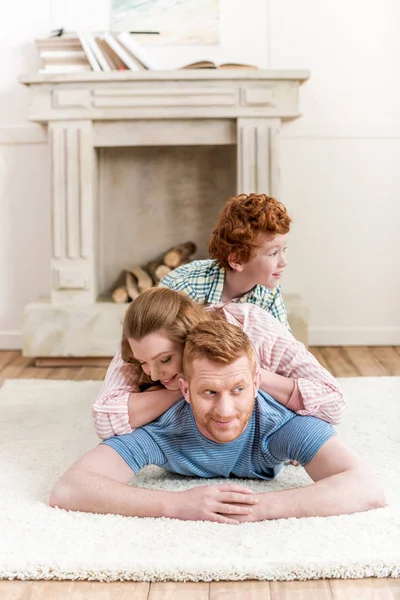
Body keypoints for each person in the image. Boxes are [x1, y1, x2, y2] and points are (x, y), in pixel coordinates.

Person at [51, 320, 385, 523]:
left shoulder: (281, 422)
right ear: (184, 389)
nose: (225, 411)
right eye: (209, 392)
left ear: (256, 384)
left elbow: (366, 486)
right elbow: (70, 487)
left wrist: (259, 507)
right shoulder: (164, 426)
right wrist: (176, 504)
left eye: (238, 390)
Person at [92, 288, 345, 440]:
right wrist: (190, 386)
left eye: (165, 359)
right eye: (144, 363)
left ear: (189, 338)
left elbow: (333, 403)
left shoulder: (256, 328)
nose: (155, 374)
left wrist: (245, 375)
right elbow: (104, 420)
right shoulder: (140, 343)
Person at [160, 193, 291, 326]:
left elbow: (284, 341)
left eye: (284, 250)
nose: (283, 262)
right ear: (236, 261)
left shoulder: (269, 292)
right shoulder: (189, 291)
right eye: (273, 253)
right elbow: (163, 342)